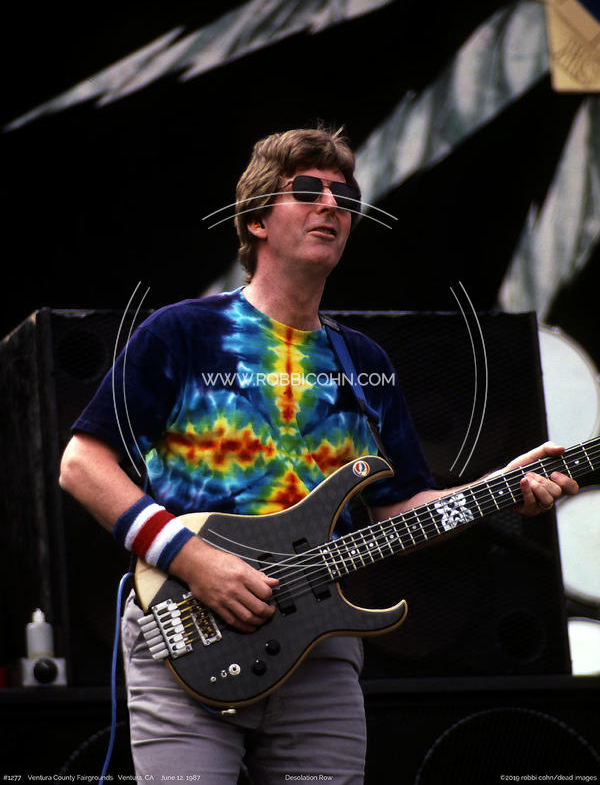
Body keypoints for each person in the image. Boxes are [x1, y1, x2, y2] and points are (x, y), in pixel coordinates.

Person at [59, 126, 579, 784]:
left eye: (346, 197)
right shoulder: (183, 332)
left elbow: (399, 509)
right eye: (308, 191)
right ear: (256, 220)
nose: (332, 205)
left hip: (320, 652)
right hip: (188, 628)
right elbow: (82, 465)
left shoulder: (363, 361)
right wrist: (195, 560)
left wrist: (497, 489)